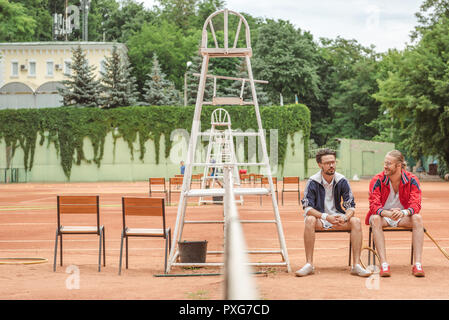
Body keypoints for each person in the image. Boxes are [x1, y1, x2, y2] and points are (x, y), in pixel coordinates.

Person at [296, 148, 371, 277]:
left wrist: (345, 218)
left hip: (338, 218)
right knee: (309, 220)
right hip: (321, 218)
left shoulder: (342, 180)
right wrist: (326, 217)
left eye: (333, 162)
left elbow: (351, 206)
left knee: (356, 221)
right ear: (320, 165)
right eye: (327, 163)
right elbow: (307, 208)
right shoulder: (312, 181)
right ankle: (309, 264)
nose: (331, 165)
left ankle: (356, 265)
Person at [365, 150, 425, 277]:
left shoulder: (412, 179)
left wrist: (404, 212)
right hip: (383, 217)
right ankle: (384, 264)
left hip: (403, 217)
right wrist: (386, 213)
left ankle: (418, 264)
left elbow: (416, 204)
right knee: (375, 218)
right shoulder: (377, 180)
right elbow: (373, 205)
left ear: (399, 166)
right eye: (385, 163)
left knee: (418, 218)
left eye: (388, 163)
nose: (385, 166)